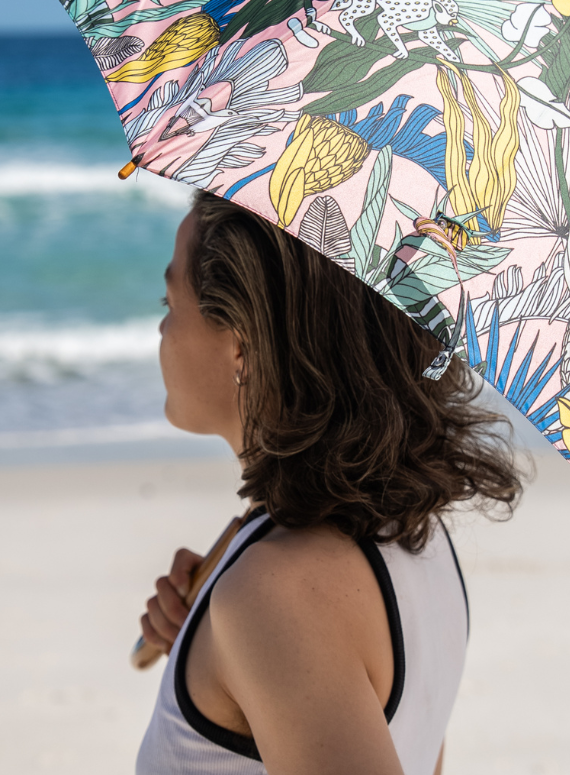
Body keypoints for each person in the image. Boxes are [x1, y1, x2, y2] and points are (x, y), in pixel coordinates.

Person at [136, 191, 524, 775]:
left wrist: (244, 621)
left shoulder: (276, 595)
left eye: (170, 302)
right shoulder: (417, 536)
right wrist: (210, 655)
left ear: (240, 341)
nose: (162, 327)